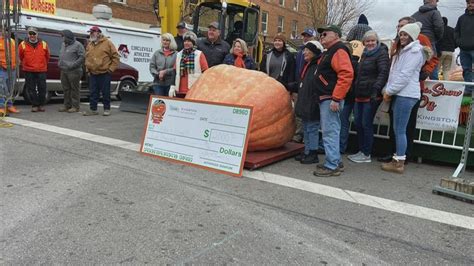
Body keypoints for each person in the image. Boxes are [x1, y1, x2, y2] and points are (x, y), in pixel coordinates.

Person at [378, 16, 438, 163]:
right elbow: (395, 69)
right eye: (399, 27)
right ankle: (396, 154)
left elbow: (431, 59)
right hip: (398, 90)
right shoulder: (398, 44)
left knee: (404, 127)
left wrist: (424, 73)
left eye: (403, 27)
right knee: (397, 126)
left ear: (411, 30)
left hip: (407, 91)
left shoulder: (418, 44)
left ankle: (402, 156)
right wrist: (388, 88)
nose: (400, 30)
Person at [382, 22, 425, 174]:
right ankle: (398, 159)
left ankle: (399, 161)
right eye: (401, 34)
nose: (402, 37)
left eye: (405, 34)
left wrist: (389, 91)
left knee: (400, 130)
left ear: (412, 36)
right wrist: (389, 89)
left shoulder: (414, 52)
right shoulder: (405, 51)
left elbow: (404, 76)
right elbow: (396, 74)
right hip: (402, 93)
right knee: (398, 129)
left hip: (405, 94)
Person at [313, 25, 354, 177]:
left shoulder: (338, 50)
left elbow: (346, 74)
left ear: (336, 35)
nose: (321, 36)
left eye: (325, 34)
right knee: (331, 131)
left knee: (330, 131)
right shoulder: (332, 51)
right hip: (328, 97)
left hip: (330, 98)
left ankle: (332, 166)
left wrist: (336, 98)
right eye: (321, 34)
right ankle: (335, 161)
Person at [347, 31, 390, 163]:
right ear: (364, 42)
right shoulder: (364, 54)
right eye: (368, 41)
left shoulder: (381, 54)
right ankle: (361, 150)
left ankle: (366, 153)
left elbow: (383, 73)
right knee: (358, 123)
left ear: (377, 41)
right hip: (359, 94)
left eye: (373, 41)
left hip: (371, 95)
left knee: (366, 124)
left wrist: (376, 89)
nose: (370, 43)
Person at [294, 41, 324, 164]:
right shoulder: (309, 66)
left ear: (314, 52)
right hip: (306, 102)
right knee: (306, 128)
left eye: (307, 50)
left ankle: (313, 153)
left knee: (312, 129)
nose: (304, 52)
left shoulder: (318, 66)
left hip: (312, 103)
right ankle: (307, 151)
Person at [83, 26, 120, 116]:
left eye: (93, 32)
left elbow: (116, 57)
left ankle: (107, 109)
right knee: (93, 92)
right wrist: (88, 70)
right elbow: (87, 57)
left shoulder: (108, 43)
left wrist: (110, 69)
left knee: (105, 93)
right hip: (93, 73)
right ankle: (93, 109)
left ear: (98, 33)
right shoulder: (90, 44)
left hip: (104, 73)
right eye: (90, 32)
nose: (91, 34)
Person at [19, 27, 50, 112]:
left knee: (42, 88)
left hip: (41, 70)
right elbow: (21, 56)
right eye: (30, 33)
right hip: (28, 70)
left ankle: (41, 105)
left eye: (34, 33)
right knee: (31, 89)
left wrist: (42, 64)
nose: (32, 35)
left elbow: (47, 56)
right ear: (28, 34)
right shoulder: (22, 44)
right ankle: (35, 105)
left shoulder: (44, 44)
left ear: (37, 34)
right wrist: (27, 64)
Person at [169, 31, 208, 98]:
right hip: (179, 90)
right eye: (185, 41)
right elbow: (175, 71)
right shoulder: (179, 54)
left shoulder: (199, 54)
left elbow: (205, 72)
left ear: (193, 43)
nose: (186, 43)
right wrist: (172, 87)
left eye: (189, 41)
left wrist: (203, 88)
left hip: (194, 89)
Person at [293, 28, 315, 143]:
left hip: (307, 87)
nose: (306, 38)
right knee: (298, 111)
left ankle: (305, 138)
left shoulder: (315, 52)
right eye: (304, 35)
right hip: (299, 84)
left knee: (306, 112)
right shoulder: (300, 51)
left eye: (308, 36)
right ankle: (298, 134)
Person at [58, 30, 85, 113]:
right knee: (66, 89)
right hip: (64, 70)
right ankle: (67, 105)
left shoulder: (78, 45)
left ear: (68, 37)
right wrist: (60, 62)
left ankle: (75, 106)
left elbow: (82, 57)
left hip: (74, 71)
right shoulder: (63, 44)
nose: (62, 38)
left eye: (63, 36)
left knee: (74, 89)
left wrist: (73, 65)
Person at [455, 0, 474, 94]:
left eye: (472, 2)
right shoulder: (461, 18)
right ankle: (469, 90)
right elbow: (456, 31)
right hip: (463, 49)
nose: (470, 4)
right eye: (469, 3)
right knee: (466, 70)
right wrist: (459, 42)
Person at [0, 32, 18, 115]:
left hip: (12, 68)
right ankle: (2, 107)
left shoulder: (12, 41)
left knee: (10, 88)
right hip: (2, 68)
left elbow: (15, 53)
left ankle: (10, 105)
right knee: (2, 88)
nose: (4, 32)